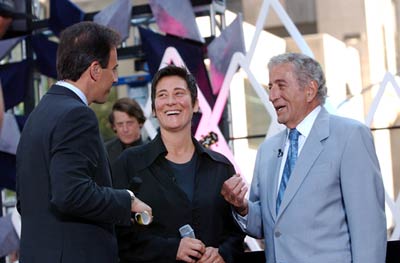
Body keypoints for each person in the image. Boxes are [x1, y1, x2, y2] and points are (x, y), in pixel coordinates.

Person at [221, 52, 387, 263]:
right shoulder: (267, 151)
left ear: (310, 90)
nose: (272, 96)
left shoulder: (350, 136)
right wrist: (242, 207)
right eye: (270, 87)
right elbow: (267, 225)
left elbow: (368, 228)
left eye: (281, 86)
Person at [16, 21, 151, 263]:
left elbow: (26, 201)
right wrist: (127, 200)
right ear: (95, 70)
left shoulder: (39, 114)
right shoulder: (76, 115)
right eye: (114, 69)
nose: (116, 79)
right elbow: (70, 193)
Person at [113, 65, 244, 263]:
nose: (171, 101)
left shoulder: (220, 166)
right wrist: (171, 249)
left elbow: (235, 233)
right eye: (163, 95)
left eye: (179, 93)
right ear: (155, 108)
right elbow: (118, 236)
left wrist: (222, 254)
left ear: (196, 104)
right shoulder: (129, 164)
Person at [106, 97, 146, 187]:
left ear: (140, 122)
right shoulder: (104, 153)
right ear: (114, 126)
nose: (125, 129)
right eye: (120, 124)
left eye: (129, 123)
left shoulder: (152, 151)